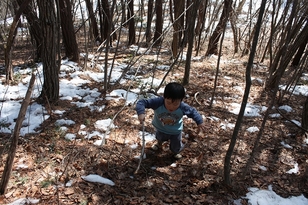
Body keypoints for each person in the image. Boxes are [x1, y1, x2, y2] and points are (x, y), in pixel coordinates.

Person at [135, 82, 207, 159]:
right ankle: (159, 144)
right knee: (159, 137)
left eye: (175, 104)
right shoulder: (158, 102)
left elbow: (193, 112)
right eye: (168, 102)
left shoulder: (183, 107)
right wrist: (141, 113)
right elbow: (141, 102)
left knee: (176, 145)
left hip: (175, 131)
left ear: (181, 100)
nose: (171, 106)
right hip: (160, 128)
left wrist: (200, 122)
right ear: (164, 97)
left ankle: (175, 152)